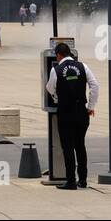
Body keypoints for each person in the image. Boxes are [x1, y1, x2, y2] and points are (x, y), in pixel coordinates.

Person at [44, 42, 99, 190]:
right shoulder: (83, 66)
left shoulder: (56, 69)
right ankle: (83, 180)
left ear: (58, 55)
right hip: (81, 112)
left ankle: (70, 181)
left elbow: (49, 87)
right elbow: (94, 85)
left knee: (67, 147)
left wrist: (56, 98)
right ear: (70, 54)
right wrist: (90, 107)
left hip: (66, 113)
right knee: (80, 146)